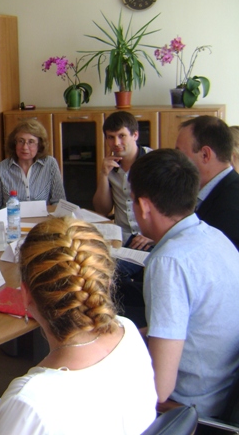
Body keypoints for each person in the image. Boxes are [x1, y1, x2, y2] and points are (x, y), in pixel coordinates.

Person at [0, 217, 157, 435]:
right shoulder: (128, 331)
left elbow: (33, 416)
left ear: (25, 295)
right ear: (106, 284)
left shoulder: (29, 401)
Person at [129, 149, 239, 417]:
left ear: (144, 206)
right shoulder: (215, 237)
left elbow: (159, 389)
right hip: (224, 385)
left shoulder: (169, 262)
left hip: (192, 409)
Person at [176, 115, 239, 251]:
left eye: (180, 154)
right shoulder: (213, 191)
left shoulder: (230, 205)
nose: (176, 162)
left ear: (205, 155)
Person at [93, 111, 153, 249]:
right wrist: (103, 175)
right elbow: (102, 209)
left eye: (122, 136)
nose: (116, 143)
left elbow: (170, 206)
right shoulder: (109, 165)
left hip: (148, 238)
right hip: (121, 238)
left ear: (135, 135)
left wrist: (153, 236)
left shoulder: (154, 162)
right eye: (111, 137)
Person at [0, 120, 65, 208]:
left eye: (31, 142)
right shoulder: (0, 168)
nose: (25, 147)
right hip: (11, 216)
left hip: (41, 216)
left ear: (39, 145)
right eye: (21, 141)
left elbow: (59, 202)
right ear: (14, 143)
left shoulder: (50, 164)